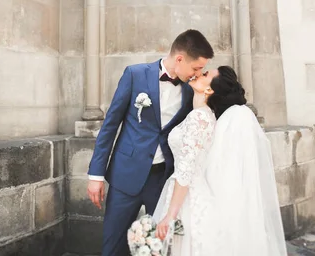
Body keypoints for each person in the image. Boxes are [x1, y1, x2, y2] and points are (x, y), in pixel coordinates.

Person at [87, 29, 214, 256]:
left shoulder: (191, 91)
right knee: (113, 245)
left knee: (161, 247)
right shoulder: (135, 74)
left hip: (163, 180)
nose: (198, 74)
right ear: (179, 59)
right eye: (196, 68)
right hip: (125, 176)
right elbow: (110, 126)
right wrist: (95, 175)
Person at [153, 66, 288, 256]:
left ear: (209, 90)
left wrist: (170, 215)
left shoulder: (199, 118)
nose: (200, 72)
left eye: (206, 74)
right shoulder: (204, 116)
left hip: (187, 198)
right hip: (189, 194)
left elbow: (186, 169)